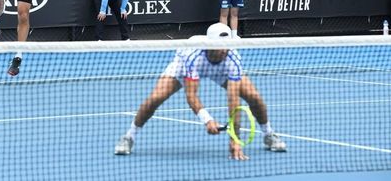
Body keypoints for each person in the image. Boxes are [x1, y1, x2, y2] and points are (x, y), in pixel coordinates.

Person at [114, 23, 286, 160]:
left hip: (221, 70)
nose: (225, 49)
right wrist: (208, 120)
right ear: (210, 44)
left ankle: (269, 134)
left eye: (227, 45)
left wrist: (235, 140)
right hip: (183, 69)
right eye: (221, 46)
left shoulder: (232, 57)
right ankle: (129, 136)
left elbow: (233, 99)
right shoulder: (192, 55)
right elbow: (191, 96)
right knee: (154, 99)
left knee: (254, 97)